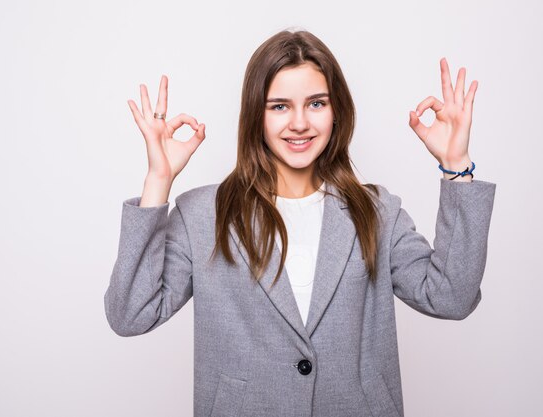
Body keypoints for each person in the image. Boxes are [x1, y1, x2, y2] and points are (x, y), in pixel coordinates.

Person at [105, 29, 496, 417]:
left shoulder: (377, 211)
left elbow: (451, 297)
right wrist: (158, 181)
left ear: (336, 109)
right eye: (278, 106)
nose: (299, 123)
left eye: (316, 103)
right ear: (255, 114)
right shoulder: (202, 214)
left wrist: (456, 166)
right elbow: (130, 315)